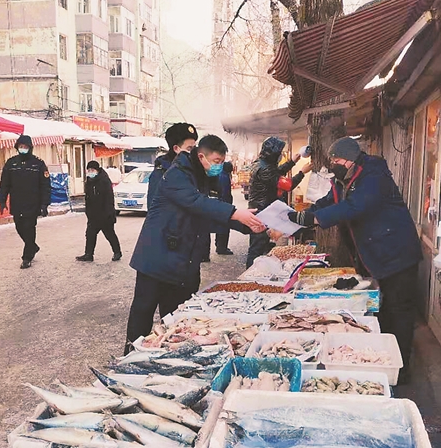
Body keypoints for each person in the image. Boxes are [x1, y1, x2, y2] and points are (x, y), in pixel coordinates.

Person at [287, 136, 423, 382]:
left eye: (337, 160)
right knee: (384, 310)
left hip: (396, 252)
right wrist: (305, 214)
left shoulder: (373, 176)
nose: (334, 165)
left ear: (350, 159)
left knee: (399, 311)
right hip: (377, 253)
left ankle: (401, 370)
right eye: (333, 161)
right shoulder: (343, 179)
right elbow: (330, 201)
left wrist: (316, 219)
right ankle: (384, 357)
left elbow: (355, 207)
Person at [126, 134, 266, 353]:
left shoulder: (201, 177)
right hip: (156, 257)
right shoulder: (177, 174)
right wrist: (235, 212)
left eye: (222, 162)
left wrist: (247, 225)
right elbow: (197, 203)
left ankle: (165, 356)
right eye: (217, 161)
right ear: (201, 156)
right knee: (143, 313)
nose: (219, 166)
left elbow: (207, 215)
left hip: (181, 259)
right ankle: (130, 356)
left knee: (175, 320)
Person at [246, 136, 312, 267]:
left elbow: (276, 173)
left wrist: (292, 162)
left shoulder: (260, 163)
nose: (280, 155)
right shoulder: (265, 169)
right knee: (257, 246)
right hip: (262, 211)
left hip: (261, 209)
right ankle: (251, 272)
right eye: (279, 153)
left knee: (261, 244)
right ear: (273, 154)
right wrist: (302, 172)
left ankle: (260, 269)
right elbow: (288, 185)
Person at [0, 134, 51, 269]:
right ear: (17, 147)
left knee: (29, 228)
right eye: (21, 146)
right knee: (19, 227)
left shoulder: (38, 164)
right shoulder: (11, 163)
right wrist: (2, 201)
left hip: (33, 203)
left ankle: (27, 257)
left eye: (25, 146)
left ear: (30, 148)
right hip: (17, 202)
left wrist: (44, 204)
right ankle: (33, 246)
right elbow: (4, 183)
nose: (23, 148)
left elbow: (45, 185)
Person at [76, 161, 122, 262]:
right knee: (90, 234)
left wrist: (109, 213)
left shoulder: (104, 180)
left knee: (109, 234)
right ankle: (88, 254)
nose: (90, 172)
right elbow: (88, 198)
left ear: (97, 170)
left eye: (92, 170)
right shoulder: (89, 181)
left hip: (105, 214)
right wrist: (88, 212)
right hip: (93, 214)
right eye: (89, 170)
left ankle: (117, 252)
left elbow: (109, 198)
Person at [146, 122, 198, 209]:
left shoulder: (192, 169)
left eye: (195, 148)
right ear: (176, 149)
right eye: (189, 148)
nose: (194, 152)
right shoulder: (161, 174)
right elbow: (154, 208)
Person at [214, 161, 234, 255]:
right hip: (224, 205)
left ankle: (218, 245)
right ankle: (222, 248)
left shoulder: (220, 174)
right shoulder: (225, 177)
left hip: (220, 204)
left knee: (219, 226)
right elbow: (225, 193)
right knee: (224, 227)